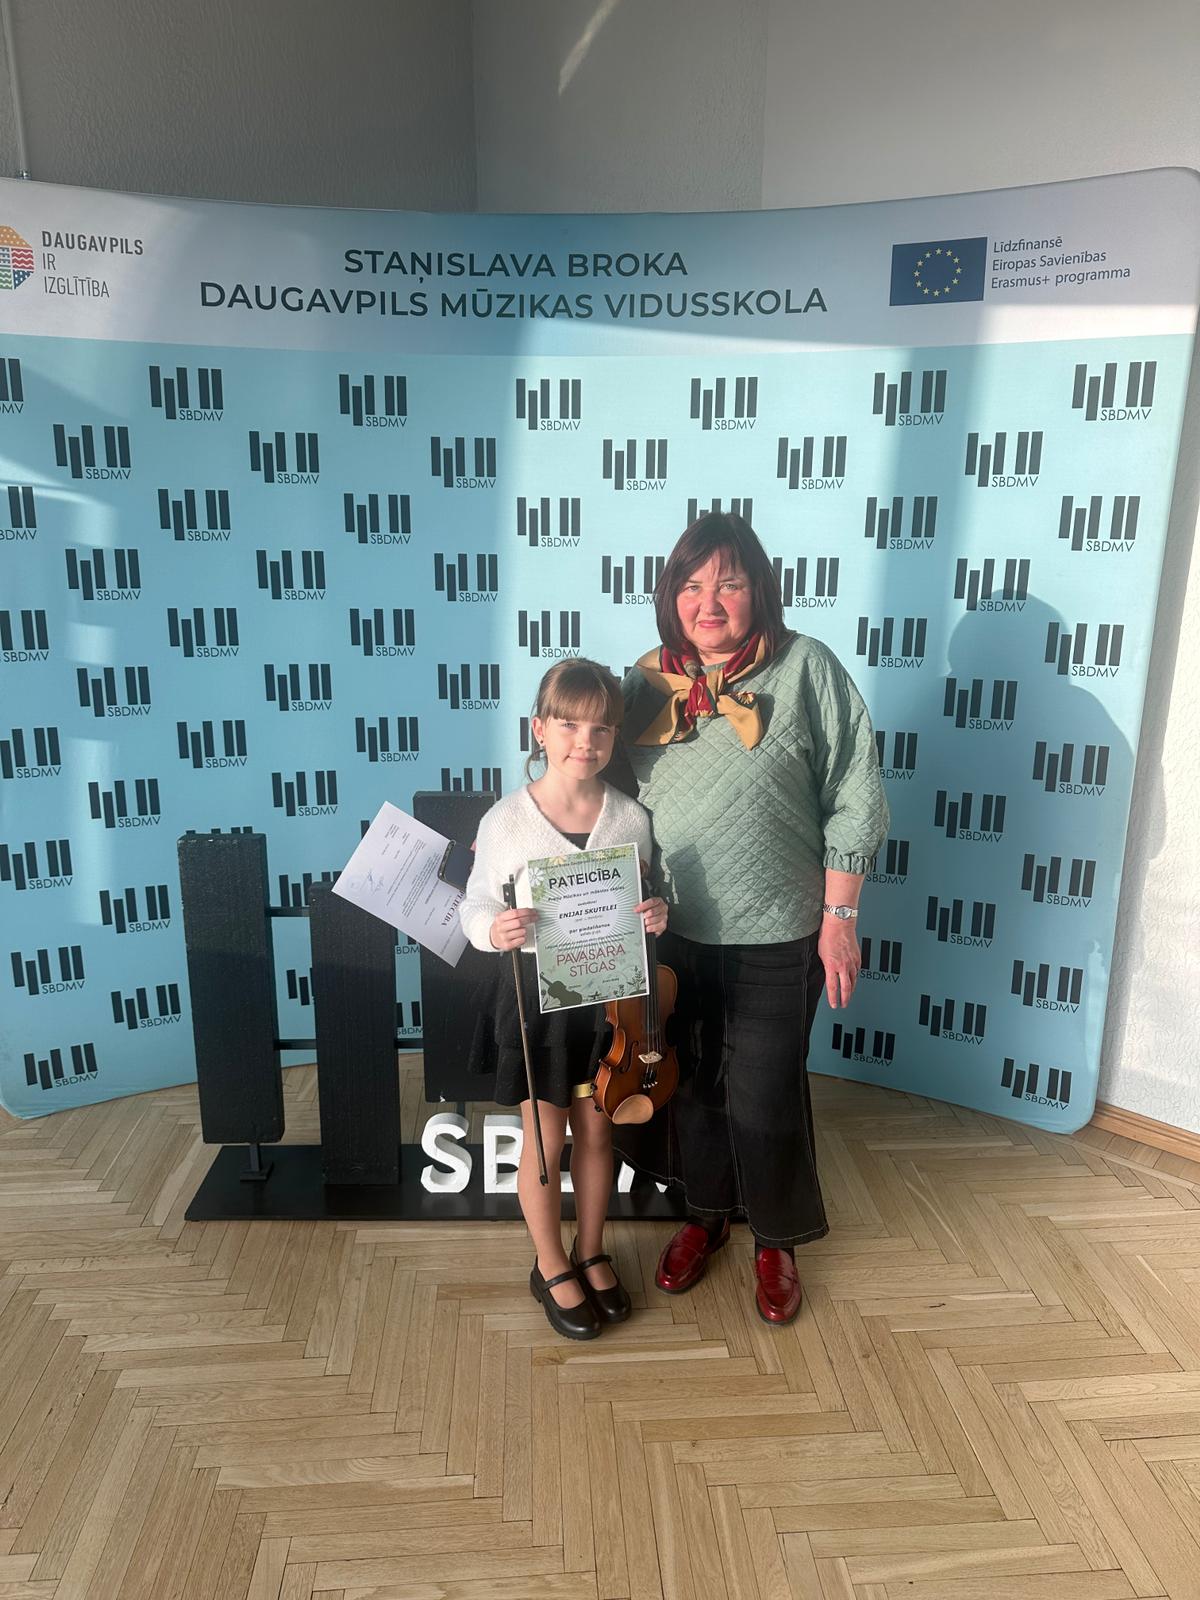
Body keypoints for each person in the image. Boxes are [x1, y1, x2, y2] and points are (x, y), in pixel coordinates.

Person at [612, 512, 889, 1325]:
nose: (709, 603)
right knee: (693, 1083)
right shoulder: (642, 685)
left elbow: (856, 795)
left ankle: (776, 1238)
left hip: (781, 926)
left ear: (758, 589)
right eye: (692, 585)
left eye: (728, 583)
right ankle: (705, 1216)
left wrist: (840, 917)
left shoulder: (807, 668)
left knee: (765, 1091)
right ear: (670, 597)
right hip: (672, 929)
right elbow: (594, 788)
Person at [459, 658, 669, 1340]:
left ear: (615, 737)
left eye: (602, 728)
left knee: (599, 1131)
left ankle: (591, 1249)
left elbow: (647, 897)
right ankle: (549, 1262)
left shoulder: (631, 818)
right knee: (546, 1139)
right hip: (538, 1003)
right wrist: (493, 929)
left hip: (609, 1004)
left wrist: (657, 914)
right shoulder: (507, 821)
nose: (586, 740)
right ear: (539, 729)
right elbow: (475, 903)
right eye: (571, 725)